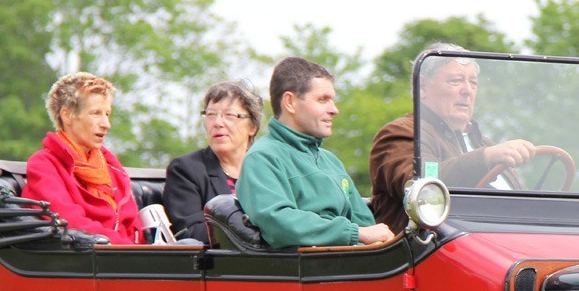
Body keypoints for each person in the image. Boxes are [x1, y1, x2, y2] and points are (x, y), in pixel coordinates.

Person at [369, 43, 537, 232]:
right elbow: (422, 184)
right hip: (435, 251)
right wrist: (486, 158)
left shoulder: (485, 143)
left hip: (510, 244)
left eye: (473, 83)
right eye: (456, 81)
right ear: (422, 86)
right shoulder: (401, 134)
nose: (467, 90)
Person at [237, 57, 394, 249]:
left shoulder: (331, 161)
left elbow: (364, 221)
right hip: (306, 272)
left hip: (351, 266)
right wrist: (355, 234)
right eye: (322, 100)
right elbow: (278, 222)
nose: (334, 110)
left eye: (332, 100)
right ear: (290, 102)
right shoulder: (263, 158)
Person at [23, 72, 143, 245]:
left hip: (124, 259)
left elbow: (134, 228)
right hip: (86, 261)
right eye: (96, 113)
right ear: (67, 115)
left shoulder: (113, 167)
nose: (106, 124)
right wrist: (131, 251)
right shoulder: (44, 165)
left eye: (107, 114)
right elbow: (72, 224)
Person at [164, 80, 265, 242]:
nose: (217, 123)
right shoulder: (186, 169)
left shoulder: (267, 170)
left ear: (252, 127)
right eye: (211, 115)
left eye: (229, 115)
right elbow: (189, 232)